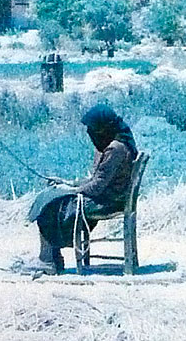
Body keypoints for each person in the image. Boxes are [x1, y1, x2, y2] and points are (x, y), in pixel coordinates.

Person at [24, 104, 138, 275]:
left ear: (102, 127)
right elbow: (96, 180)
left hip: (108, 202)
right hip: (108, 196)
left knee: (51, 205)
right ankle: (53, 259)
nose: (89, 132)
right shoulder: (113, 143)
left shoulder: (115, 149)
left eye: (92, 128)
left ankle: (48, 260)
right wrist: (67, 183)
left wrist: (68, 190)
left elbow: (97, 187)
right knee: (52, 199)